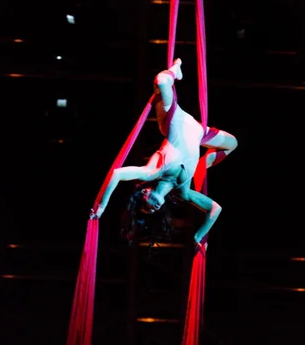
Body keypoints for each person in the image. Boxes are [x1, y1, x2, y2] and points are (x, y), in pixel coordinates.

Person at [91, 59, 238, 246]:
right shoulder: (184, 191)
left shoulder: (154, 170)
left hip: (173, 119)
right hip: (200, 132)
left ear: (145, 191)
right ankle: (206, 162)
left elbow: (117, 173)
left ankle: (175, 70)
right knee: (233, 144)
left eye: (146, 206)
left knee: (161, 80)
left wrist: (101, 206)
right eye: (151, 212)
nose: (152, 209)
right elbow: (215, 209)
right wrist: (199, 236)